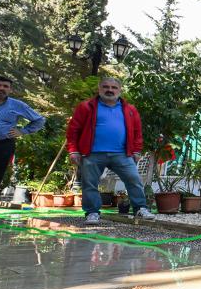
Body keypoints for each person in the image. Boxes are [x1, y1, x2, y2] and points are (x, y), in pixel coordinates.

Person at [66, 77, 155, 224]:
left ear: (120, 90)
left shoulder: (130, 110)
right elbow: (73, 130)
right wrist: (73, 150)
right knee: (90, 183)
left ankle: (140, 208)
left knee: (134, 179)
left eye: (114, 87)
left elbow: (137, 132)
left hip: (122, 153)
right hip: (92, 153)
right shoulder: (86, 107)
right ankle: (92, 213)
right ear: (99, 89)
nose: (110, 90)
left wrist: (136, 151)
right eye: (106, 87)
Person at [0, 75, 46, 209]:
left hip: (2, 146)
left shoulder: (17, 105)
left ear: (10, 90)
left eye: (5, 86)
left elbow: (39, 120)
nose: (1, 88)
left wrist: (23, 131)